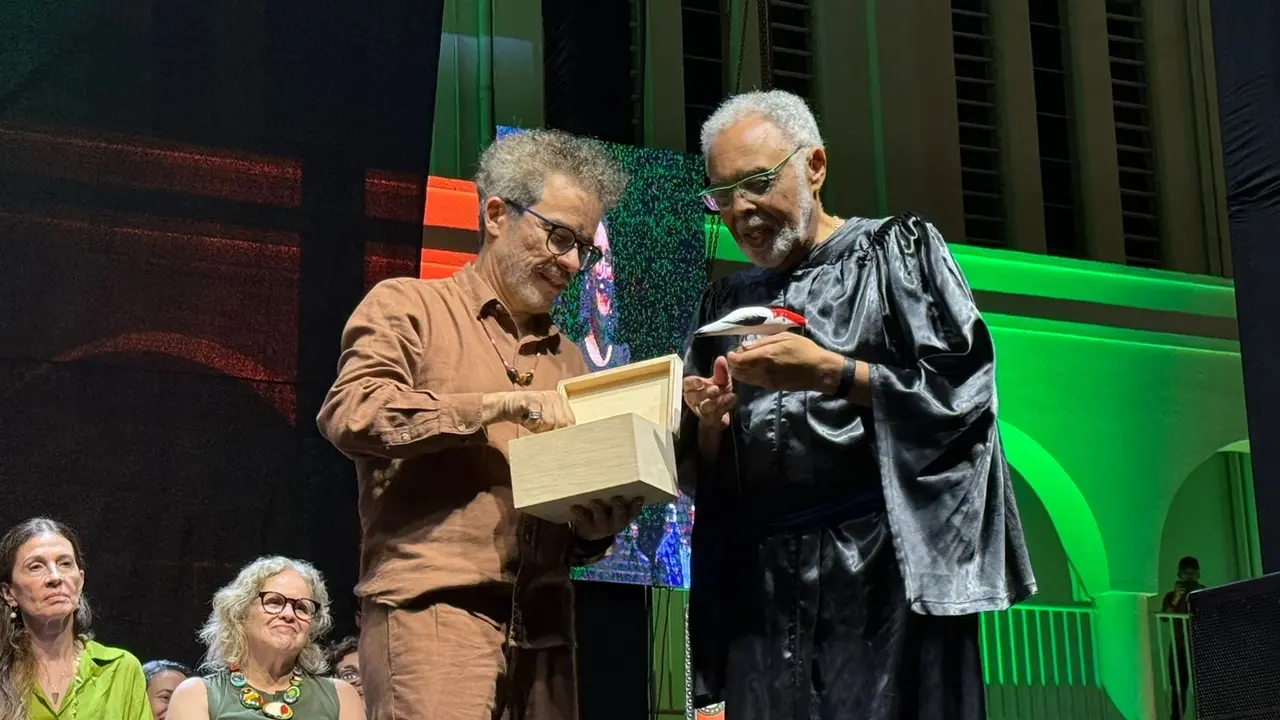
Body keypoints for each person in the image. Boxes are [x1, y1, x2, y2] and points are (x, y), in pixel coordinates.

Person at [677, 90, 1037, 719]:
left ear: (813, 165)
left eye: (756, 183)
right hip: (761, 584)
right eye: (722, 194)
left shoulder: (895, 255)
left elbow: (963, 394)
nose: (739, 210)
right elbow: (704, 474)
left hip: (878, 571)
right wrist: (709, 426)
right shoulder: (724, 306)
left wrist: (834, 374)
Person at [317, 128, 641, 720]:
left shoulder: (571, 360)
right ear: (496, 213)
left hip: (546, 636)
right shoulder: (408, 306)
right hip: (434, 616)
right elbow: (351, 411)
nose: (572, 262)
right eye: (560, 236)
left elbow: (570, 520)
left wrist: (597, 528)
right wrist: (493, 405)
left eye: (584, 249)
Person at [165, 556, 362, 720]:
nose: (288, 614)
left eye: (302, 607)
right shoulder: (197, 695)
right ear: (240, 612)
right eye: (274, 602)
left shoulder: (341, 697)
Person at [0, 517, 150, 720]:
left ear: (80, 582)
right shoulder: (4, 673)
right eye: (36, 567)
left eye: (64, 564)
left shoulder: (120, 668)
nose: (55, 577)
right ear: (9, 593)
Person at [1160, 556, 1202, 720]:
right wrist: (1177, 598)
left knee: (1203, 685)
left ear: (1198, 575)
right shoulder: (1171, 596)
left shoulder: (1204, 592)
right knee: (1178, 686)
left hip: (1199, 645)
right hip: (1179, 646)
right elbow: (1164, 618)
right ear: (1179, 575)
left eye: (1193, 575)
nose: (1190, 578)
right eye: (1186, 575)